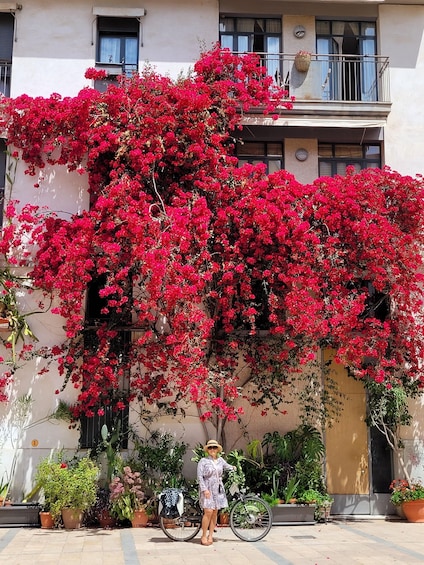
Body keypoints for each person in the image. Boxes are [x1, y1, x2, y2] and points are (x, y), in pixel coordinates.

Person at [197, 439, 235, 546]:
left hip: (218, 489)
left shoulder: (220, 461)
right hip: (207, 488)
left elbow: (228, 467)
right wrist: (204, 489)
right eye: (210, 448)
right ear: (207, 450)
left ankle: (210, 536)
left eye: (214, 448)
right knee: (208, 511)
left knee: (214, 512)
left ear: (217, 449)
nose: (212, 450)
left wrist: (234, 468)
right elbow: (200, 477)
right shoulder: (203, 461)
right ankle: (203, 535)